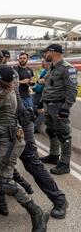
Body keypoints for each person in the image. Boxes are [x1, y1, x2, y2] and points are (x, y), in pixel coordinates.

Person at [0, 65, 49, 232]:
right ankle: (0, 203)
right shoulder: (1, 93)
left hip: (9, 142)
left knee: (4, 181)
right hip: (5, 139)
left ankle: (37, 211)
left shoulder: (3, 94)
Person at [39, 44, 78, 175]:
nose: (45, 55)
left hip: (58, 106)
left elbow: (72, 90)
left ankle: (65, 164)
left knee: (64, 135)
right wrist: (41, 103)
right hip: (48, 105)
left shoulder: (67, 69)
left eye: (46, 53)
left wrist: (65, 109)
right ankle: (54, 155)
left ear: (53, 52)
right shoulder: (52, 68)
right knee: (51, 131)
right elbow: (48, 87)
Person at [33, 58, 50, 133]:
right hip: (38, 92)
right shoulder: (44, 70)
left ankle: (35, 128)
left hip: (45, 94)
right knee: (33, 108)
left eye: (43, 62)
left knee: (42, 111)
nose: (42, 63)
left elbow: (43, 81)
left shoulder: (50, 71)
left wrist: (39, 81)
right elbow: (40, 80)